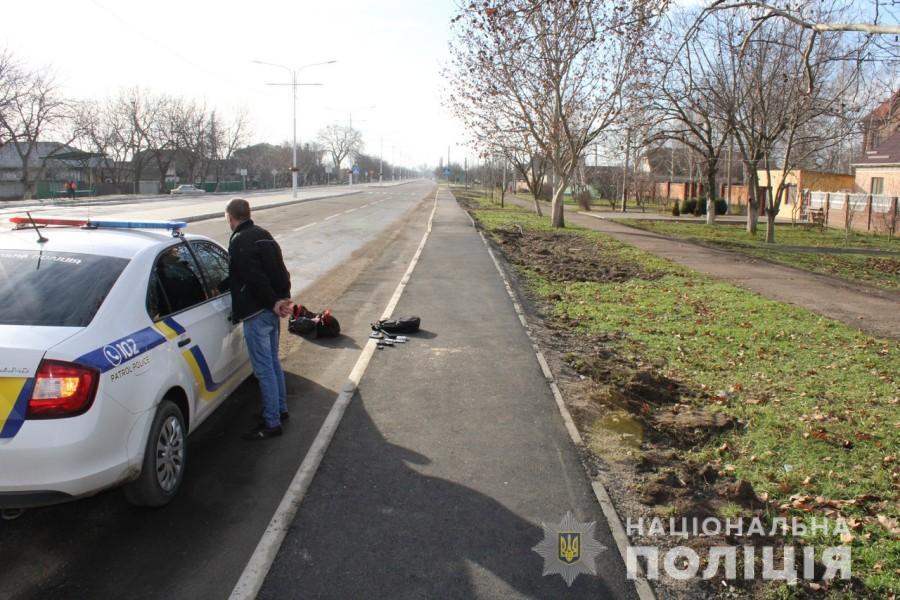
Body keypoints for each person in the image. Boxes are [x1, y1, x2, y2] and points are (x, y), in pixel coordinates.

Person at [223, 198, 293, 440]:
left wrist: (274, 302)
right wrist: (283, 298)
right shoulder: (264, 234)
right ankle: (280, 410)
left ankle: (271, 422)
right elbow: (281, 271)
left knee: (263, 369)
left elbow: (253, 278)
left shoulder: (240, 241)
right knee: (273, 363)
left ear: (231, 217)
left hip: (258, 312)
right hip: (271, 311)